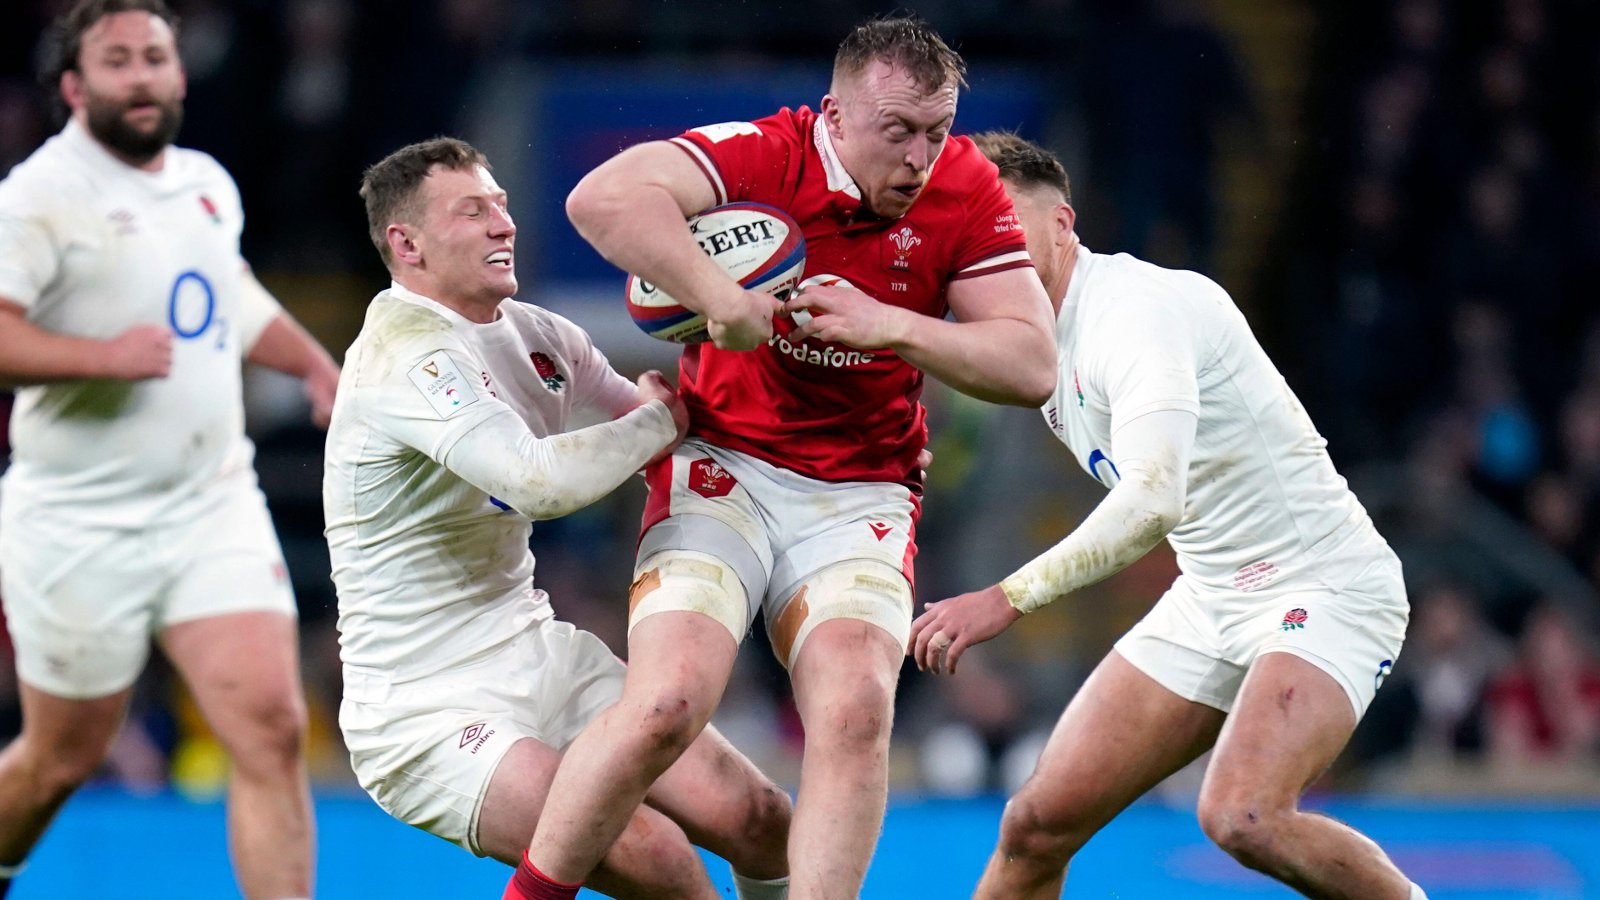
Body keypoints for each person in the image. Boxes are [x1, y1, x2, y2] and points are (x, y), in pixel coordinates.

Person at [517, 16, 1057, 900]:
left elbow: (1032, 364)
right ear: (835, 117)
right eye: (898, 132)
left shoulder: (966, 186)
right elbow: (600, 202)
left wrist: (890, 325)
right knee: (665, 707)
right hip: (721, 466)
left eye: (937, 130)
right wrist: (718, 296)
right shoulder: (762, 154)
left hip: (862, 491)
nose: (922, 157)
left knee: (855, 711)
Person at [909, 132, 1427, 900]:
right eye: (975, 232)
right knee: (1035, 826)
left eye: (1006, 224)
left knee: (1243, 814)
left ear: (1063, 225)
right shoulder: (1035, 341)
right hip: (1211, 596)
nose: (993, 250)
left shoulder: (1134, 314)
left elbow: (1153, 500)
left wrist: (1005, 597)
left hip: (1324, 588)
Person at [326, 137, 792, 900]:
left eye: (502, 207)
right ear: (405, 244)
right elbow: (538, 482)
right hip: (425, 709)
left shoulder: (538, 334)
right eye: (472, 212)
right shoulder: (402, 357)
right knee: (658, 858)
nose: (502, 225)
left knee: (760, 816)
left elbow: (665, 429)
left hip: (540, 653)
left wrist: (818, 445)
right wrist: (655, 424)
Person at [0, 2, 339, 898]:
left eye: (155, 57)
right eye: (118, 61)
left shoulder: (203, 181)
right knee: (59, 759)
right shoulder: (38, 197)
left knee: (269, 728)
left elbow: (225, 291)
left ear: (180, 75)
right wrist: (98, 358)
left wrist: (312, 364)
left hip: (208, 500)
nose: (142, 75)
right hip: (80, 517)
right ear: (75, 87)